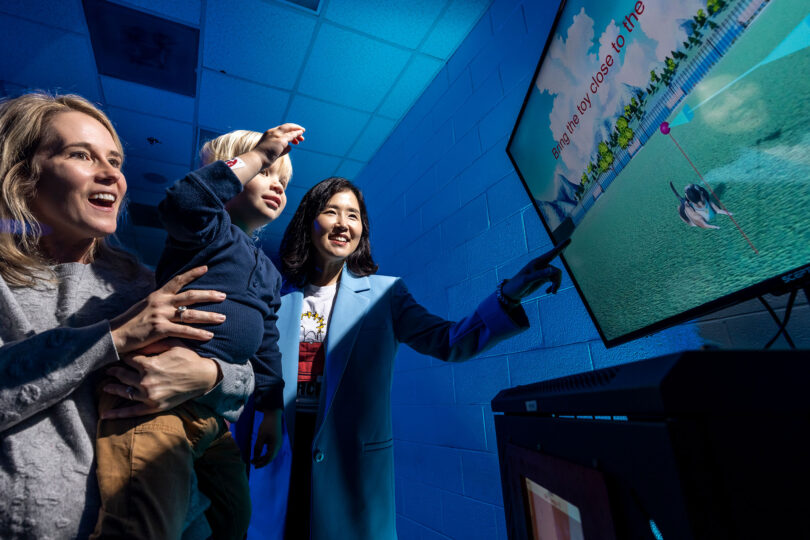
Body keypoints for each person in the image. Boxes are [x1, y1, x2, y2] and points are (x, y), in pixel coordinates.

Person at [237, 176, 567, 539]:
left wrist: (508, 297)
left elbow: (449, 341)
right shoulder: (274, 296)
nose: (343, 223)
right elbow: (252, 382)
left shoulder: (386, 294)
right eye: (331, 212)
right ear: (308, 221)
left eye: (354, 215)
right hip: (279, 460)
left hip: (351, 472)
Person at [0, 92, 253, 539]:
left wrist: (208, 375)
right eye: (81, 154)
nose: (111, 175)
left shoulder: (148, 282)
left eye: (115, 161)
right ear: (22, 174)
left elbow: (241, 370)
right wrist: (115, 335)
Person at [92, 125, 304, 539]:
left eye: (283, 180)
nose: (276, 184)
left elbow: (267, 345)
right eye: (265, 171)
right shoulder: (206, 231)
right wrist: (260, 153)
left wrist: (273, 412)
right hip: (153, 408)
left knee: (233, 520)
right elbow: (183, 201)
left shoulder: (268, 271)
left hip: (213, 420)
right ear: (232, 173)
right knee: (144, 524)